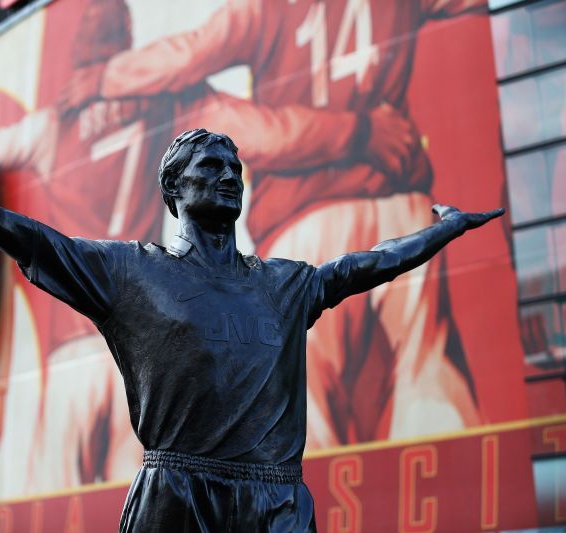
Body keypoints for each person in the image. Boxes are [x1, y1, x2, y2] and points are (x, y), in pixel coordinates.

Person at [0, 69, 503, 531]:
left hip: (278, 502)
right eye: (209, 166)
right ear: (174, 191)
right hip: (178, 501)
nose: (228, 175)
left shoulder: (286, 283)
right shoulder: (128, 273)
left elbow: (373, 263)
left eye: (234, 168)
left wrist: (441, 228)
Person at [59, 0, 491, 445]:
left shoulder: (260, 11)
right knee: (426, 373)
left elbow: (194, 59)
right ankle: (465, 495)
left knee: (303, 405)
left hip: (305, 218)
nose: (227, 175)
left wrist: (105, 78)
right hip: (392, 198)